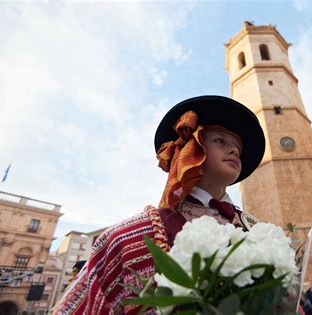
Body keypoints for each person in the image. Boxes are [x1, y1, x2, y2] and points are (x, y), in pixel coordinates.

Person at [53, 95, 265, 314]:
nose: (234, 151)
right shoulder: (126, 238)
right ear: (190, 151)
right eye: (220, 141)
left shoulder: (257, 232)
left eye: (237, 148)